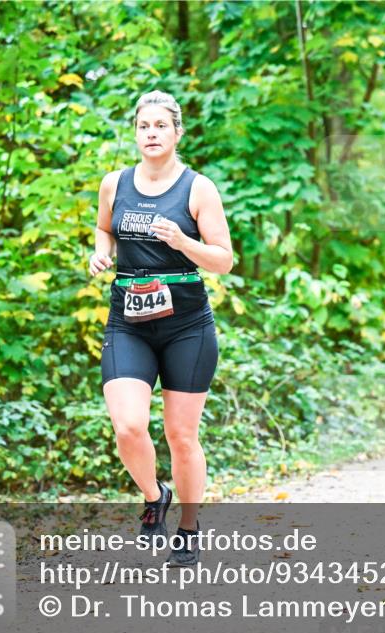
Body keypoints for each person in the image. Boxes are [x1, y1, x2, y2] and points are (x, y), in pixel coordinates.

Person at [89, 90, 234, 567]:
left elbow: (224, 260)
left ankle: (189, 528)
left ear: (177, 133)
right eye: (143, 126)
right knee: (128, 426)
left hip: (186, 322)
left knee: (181, 435)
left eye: (159, 126)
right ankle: (155, 495)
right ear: (135, 133)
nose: (150, 134)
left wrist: (183, 241)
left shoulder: (198, 188)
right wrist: (101, 252)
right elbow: (105, 228)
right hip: (128, 319)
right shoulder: (115, 183)